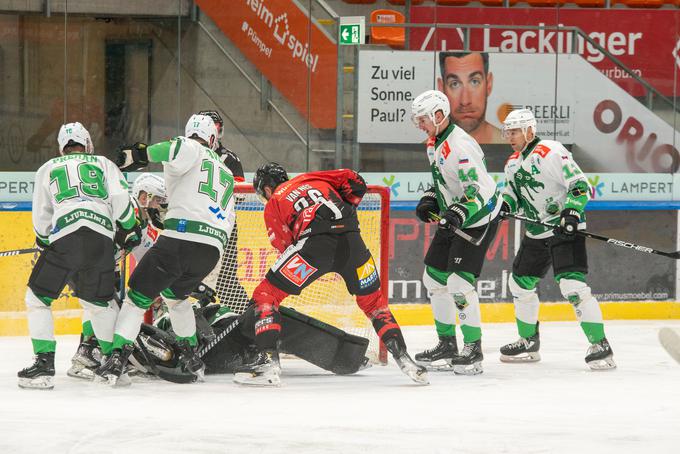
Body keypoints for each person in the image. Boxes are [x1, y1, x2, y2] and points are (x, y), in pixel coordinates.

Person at [233, 163, 428, 387]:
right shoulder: (311, 178)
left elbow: (286, 246)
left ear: (267, 189)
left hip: (315, 246)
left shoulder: (275, 200)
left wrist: (265, 302)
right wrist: (348, 206)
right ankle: (405, 359)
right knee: (375, 304)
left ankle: (267, 363)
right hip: (353, 243)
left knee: (266, 294)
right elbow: (356, 182)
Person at [94, 114, 236, 386]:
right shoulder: (226, 171)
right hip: (212, 249)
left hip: (181, 237)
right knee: (176, 297)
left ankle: (115, 360)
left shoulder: (191, 147)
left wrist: (141, 153)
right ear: (213, 138)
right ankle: (193, 358)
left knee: (137, 298)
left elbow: (174, 149)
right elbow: (229, 219)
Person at [17, 122, 141, 389]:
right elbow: (121, 199)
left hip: (67, 236)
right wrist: (131, 228)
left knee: (37, 298)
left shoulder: (48, 168)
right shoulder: (104, 163)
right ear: (87, 143)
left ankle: (43, 365)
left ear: (62, 148)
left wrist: (44, 241)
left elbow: (41, 216)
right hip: (101, 239)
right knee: (99, 303)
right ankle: (113, 366)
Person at [498, 108, 616, 370]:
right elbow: (512, 194)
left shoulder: (550, 151)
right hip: (537, 232)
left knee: (572, 287)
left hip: (564, 229)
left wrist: (572, 212)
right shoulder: (512, 163)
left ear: (530, 130)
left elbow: (580, 185)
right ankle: (528, 341)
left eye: (515, 131)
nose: (510, 136)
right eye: (509, 132)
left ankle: (601, 345)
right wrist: (505, 205)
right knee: (519, 284)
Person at [411, 90, 501, 375]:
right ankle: (447, 344)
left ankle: (473, 349)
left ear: (439, 115)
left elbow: (477, 191)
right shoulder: (434, 143)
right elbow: (444, 183)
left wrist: (458, 213)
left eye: (423, 119)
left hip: (478, 218)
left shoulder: (461, 145)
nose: (420, 125)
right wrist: (430, 199)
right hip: (456, 216)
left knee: (459, 283)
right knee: (434, 277)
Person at [67, 173, 168, 379]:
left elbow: (148, 258)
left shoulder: (144, 226)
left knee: (105, 309)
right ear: (144, 196)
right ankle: (91, 352)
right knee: (104, 309)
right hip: (87, 262)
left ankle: (87, 354)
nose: (159, 206)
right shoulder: (121, 207)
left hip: (104, 268)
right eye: (157, 200)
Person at [128, 302, 373, 383]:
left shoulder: (172, 315)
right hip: (217, 343)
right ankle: (348, 356)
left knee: (272, 324)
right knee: (266, 312)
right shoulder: (170, 317)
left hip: (221, 351)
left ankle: (253, 356)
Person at [195, 110, 249, 308]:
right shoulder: (188, 155)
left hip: (223, 225)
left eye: (216, 126)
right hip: (197, 221)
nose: (213, 131)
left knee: (226, 280)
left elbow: (241, 195)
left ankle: (242, 316)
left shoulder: (229, 158)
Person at [437, 51, 502, 145]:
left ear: (489, 84)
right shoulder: (428, 152)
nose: (465, 101)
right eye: (454, 84)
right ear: (441, 89)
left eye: (474, 82)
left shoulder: (512, 148)